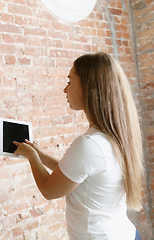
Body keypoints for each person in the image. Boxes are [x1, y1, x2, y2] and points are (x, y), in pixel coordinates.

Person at [14, 52, 143, 240]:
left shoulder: (90, 145)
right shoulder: (113, 137)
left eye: (69, 81)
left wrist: (32, 158)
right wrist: (40, 155)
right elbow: (77, 173)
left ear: (88, 87)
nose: (65, 90)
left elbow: (49, 190)